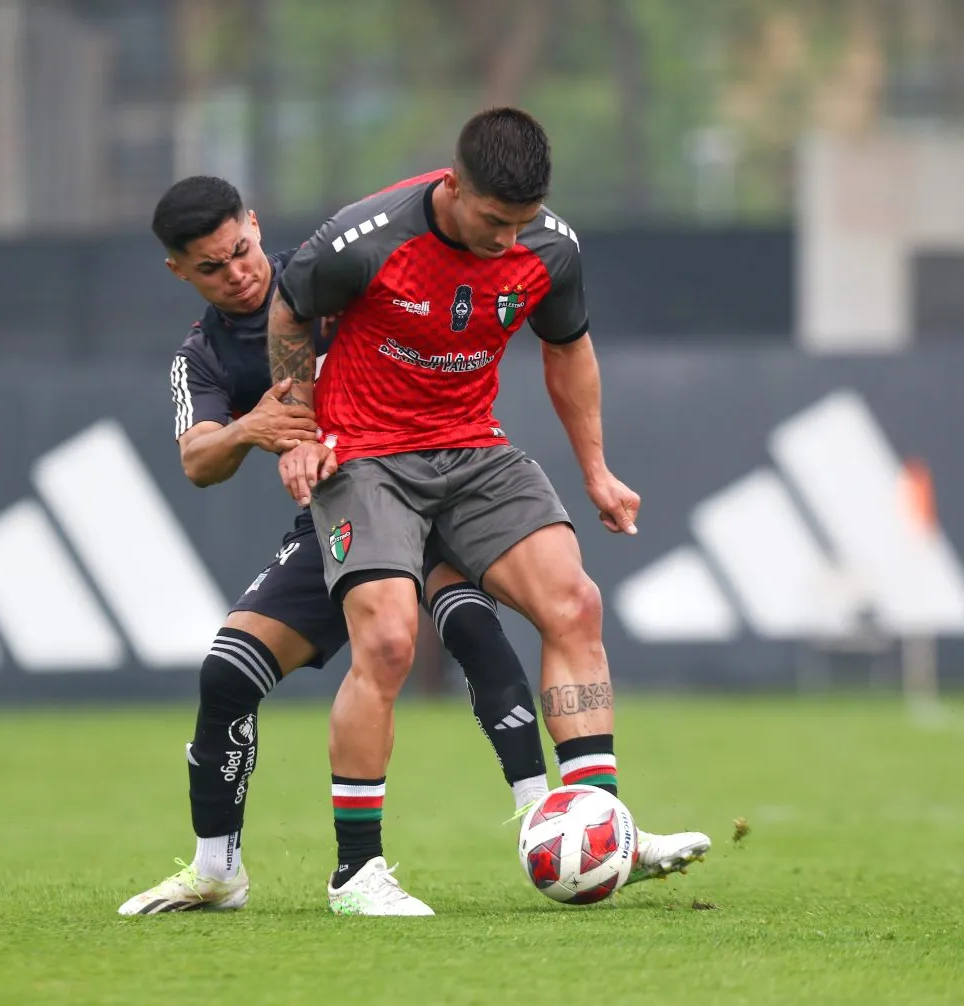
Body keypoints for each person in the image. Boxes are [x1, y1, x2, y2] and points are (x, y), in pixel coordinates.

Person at [269, 108, 711, 917]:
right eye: (494, 220)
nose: (510, 239)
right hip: (364, 453)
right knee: (392, 638)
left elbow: (567, 346)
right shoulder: (361, 240)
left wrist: (597, 472)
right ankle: (356, 874)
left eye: (524, 221)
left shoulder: (551, 248)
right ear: (453, 185)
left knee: (574, 604)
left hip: (472, 448)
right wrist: (298, 426)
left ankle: (601, 823)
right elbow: (290, 309)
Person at [117, 175, 553, 916]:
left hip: (417, 479)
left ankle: (554, 819)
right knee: (227, 672)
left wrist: (334, 429)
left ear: (254, 225)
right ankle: (217, 869)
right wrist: (249, 431)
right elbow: (198, 461)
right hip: (337, 518)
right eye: (212, 267)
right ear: (179, 272)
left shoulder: (328, 272)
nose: (238, 273)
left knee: (468, 619)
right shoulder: (202, 359)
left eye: (242, 250)